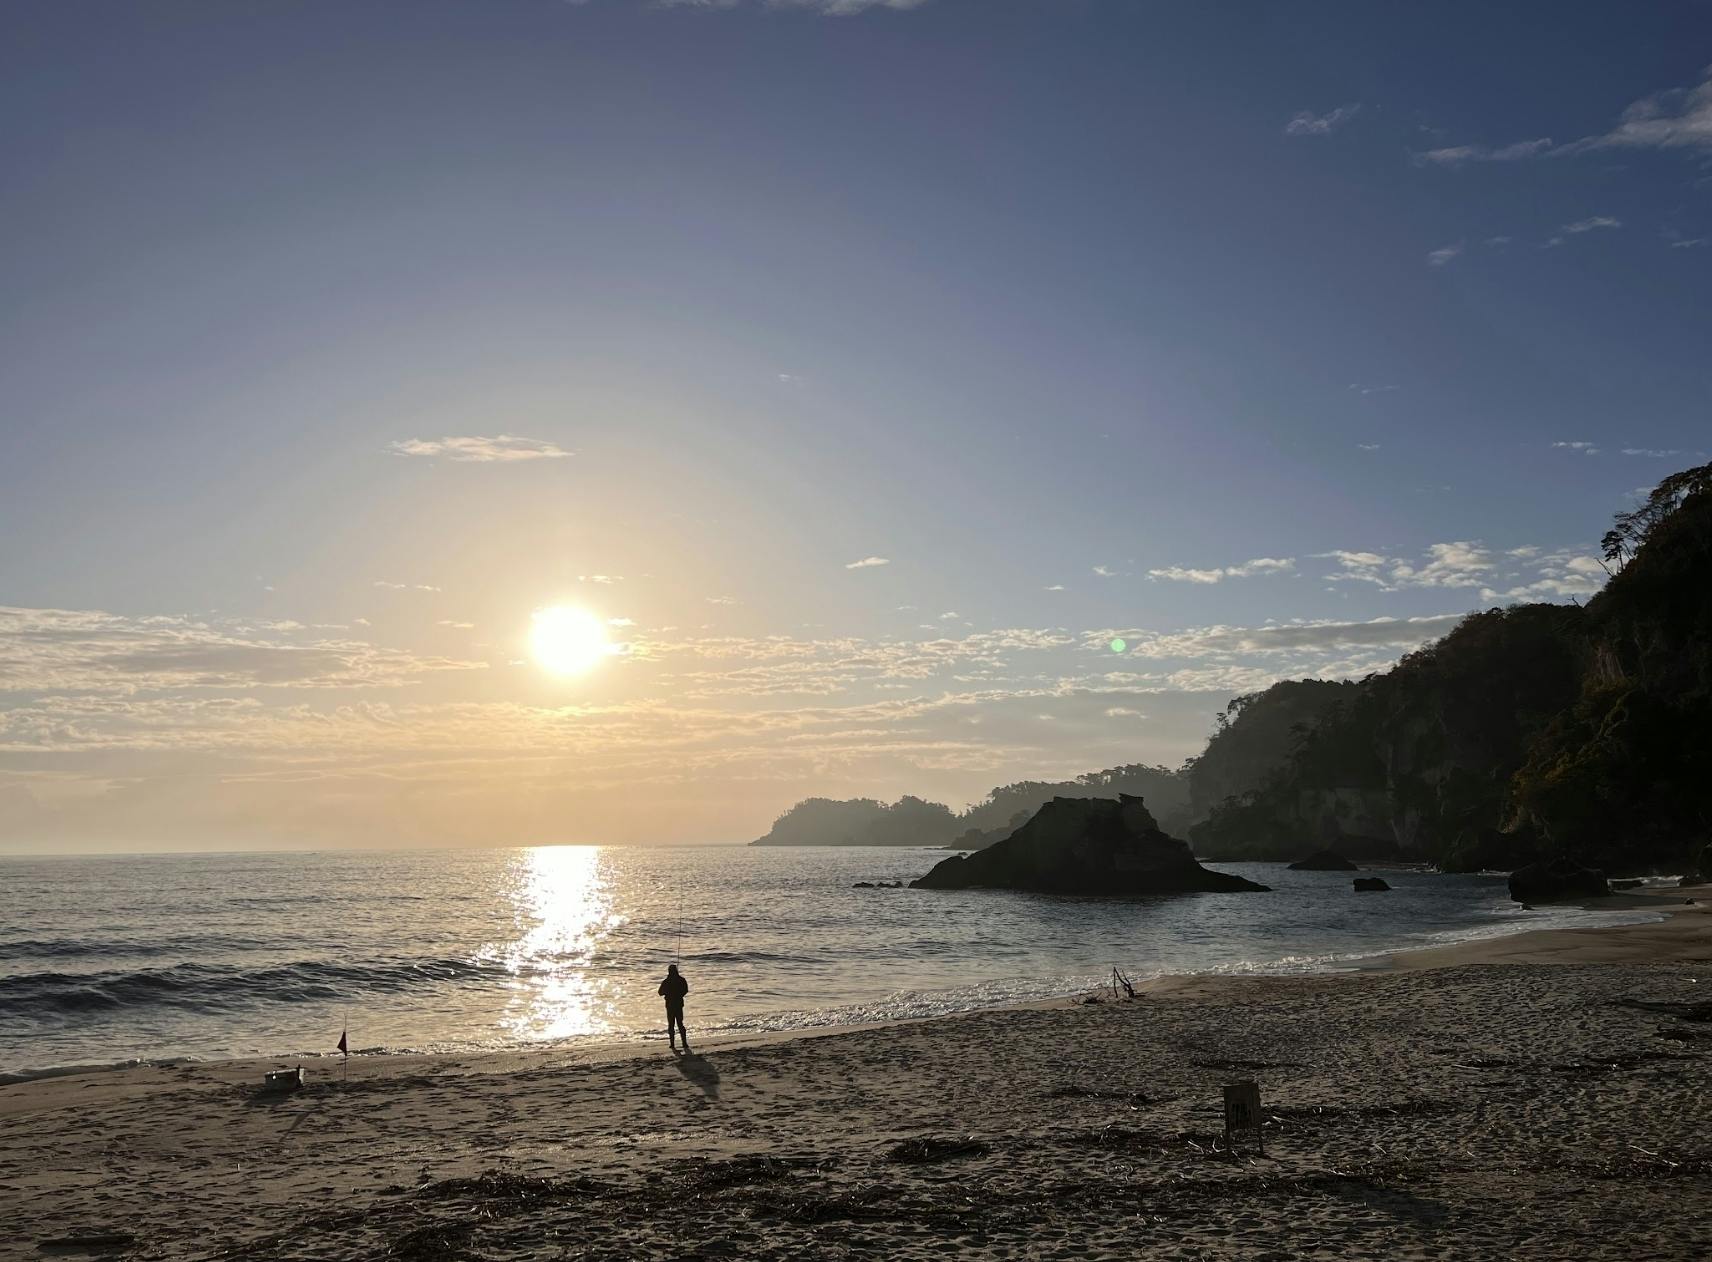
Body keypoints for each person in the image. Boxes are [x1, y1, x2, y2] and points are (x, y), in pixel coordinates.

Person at [658, 963, 689, 1051]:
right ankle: (684, 1043)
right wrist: (679, 995)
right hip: (679, 1004)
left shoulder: (666, 981)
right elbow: (685, 990)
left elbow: (660, 992)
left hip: (670, 1005)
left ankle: (672, 1044)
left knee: (671, 1024)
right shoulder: (681, 980)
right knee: (680, 1024)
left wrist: (667, 992)